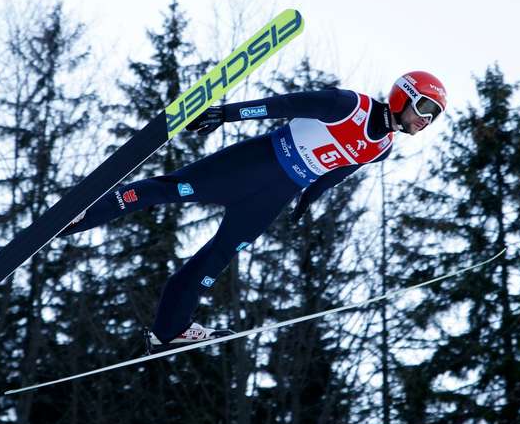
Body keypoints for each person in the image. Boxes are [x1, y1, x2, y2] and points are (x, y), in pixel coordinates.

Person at [59, 71, 448, 352]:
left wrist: (306, 202)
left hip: (275, 195)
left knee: (217, 257)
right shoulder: (349, 106)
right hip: (256, 163)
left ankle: (170, 328)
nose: (425, 119)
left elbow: (339, 171)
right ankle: (85, 213)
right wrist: (224, 113)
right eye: (424, 107)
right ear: (403, 95)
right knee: (172, 190)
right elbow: (282, 105)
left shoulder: (382, 148)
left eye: (434, 116)